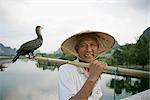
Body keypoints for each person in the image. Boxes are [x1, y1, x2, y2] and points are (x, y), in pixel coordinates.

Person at [58, 30, 115, 100]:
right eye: (83, 45)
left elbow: (98, 97)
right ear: (77, 50)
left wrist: (95, 75)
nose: (88, 49)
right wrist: (93, 78)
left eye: (92, 45)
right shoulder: (66, 69)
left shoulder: (95, 67)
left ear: (97, 48)